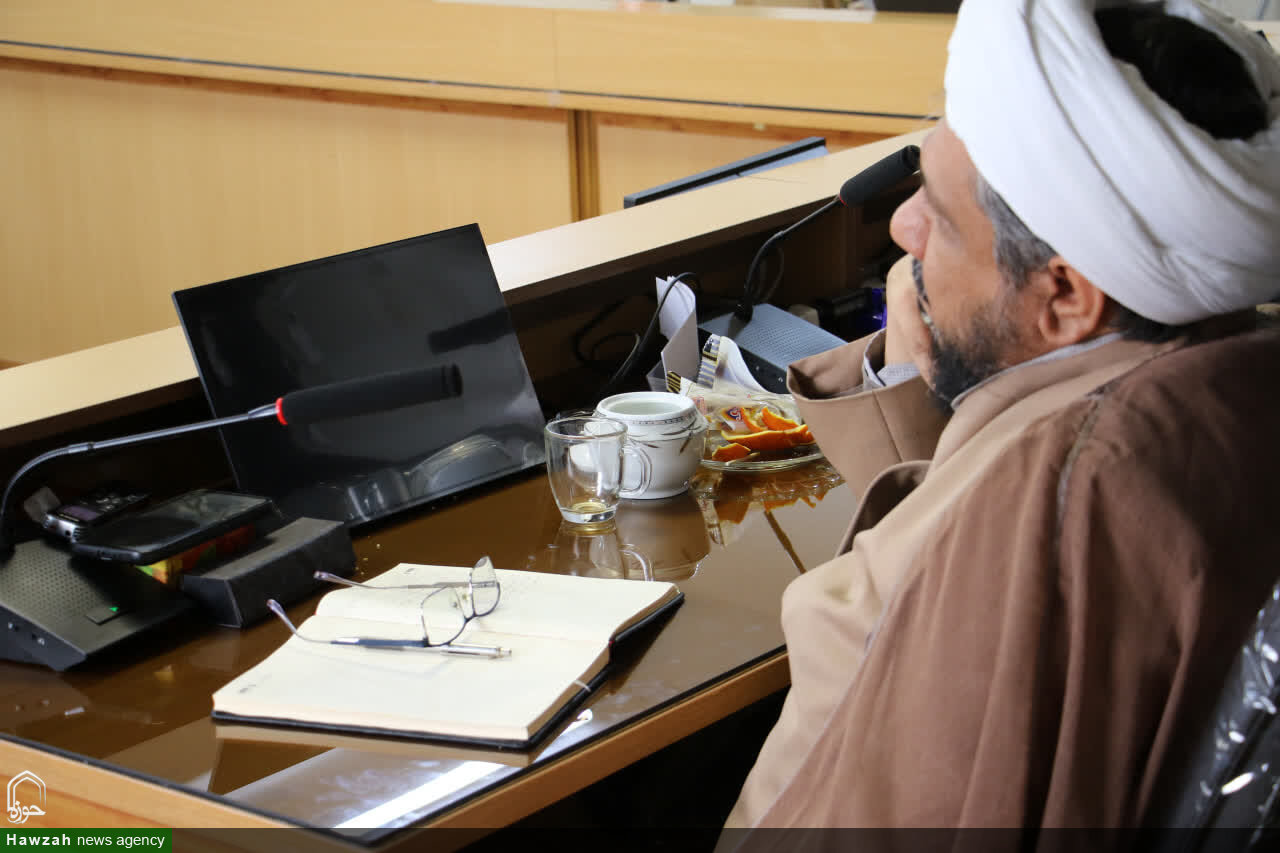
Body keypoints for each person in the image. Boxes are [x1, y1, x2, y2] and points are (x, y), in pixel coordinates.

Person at [723, 0, 1280, 835]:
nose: (902, 227)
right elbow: (959, 511)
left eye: (941, 219)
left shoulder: (1058, 496)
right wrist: (924, 358)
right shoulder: (1212, 375)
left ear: (1066, 296)